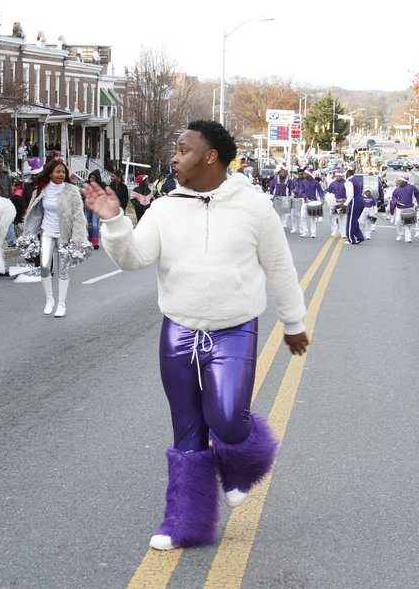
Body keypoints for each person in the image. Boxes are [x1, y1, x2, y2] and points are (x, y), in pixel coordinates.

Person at [81, 119, 308, 552]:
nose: (175, 156)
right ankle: (184, 523)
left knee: (226, 417)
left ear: (210, 157)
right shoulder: (165, 207)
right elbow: (135, 258)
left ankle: (243, 466)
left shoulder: (254, 207)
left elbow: (280, 267)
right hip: (179, 329)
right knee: (186, 430)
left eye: (184, 149)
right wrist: (114, 224)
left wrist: (293, 322)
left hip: (234, 328)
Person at [22, 158, 89, 317]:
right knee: (44, 267)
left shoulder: (72, 191)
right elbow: (34, 211)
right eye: (57, 172)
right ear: (50, 173)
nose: (61, 175)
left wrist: (78, 239)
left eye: (63, 172)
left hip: (64, 235)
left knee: (63, 270)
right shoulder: (41, 189)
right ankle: (49, 300)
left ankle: (61, 304)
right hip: (47, 232)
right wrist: (29, 232)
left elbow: (78, 216)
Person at [390, 174, 417, 243]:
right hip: (400, 208)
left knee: (408, 223)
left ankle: (408, 237)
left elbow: (418, 194)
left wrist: (418, 203)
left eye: (400, 181)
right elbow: (393, 197)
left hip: (410, 207)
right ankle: (400, 234)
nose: (399, 182)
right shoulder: (397, 189)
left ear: (404, 181)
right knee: (398, 221)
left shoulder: (412, 187)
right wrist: (396, 201)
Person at [298, 168, 324, 238]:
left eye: (305, 174)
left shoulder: (316, 182)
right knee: (303, 216)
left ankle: (313, 233)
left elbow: (320, 191)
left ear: (309, 175)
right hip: (305, 201)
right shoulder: (303, 182)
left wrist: (321, 198)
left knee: (313, 218)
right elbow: (302, 191)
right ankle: (305, 232)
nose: (304, 175)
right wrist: (305, 198)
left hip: (313, 201)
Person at [344, 168, 364, 244]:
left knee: (351, 221)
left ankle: (351, 239)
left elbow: (350, 195)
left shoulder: (348, 181)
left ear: (348, 174)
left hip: (354, 201)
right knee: (354, 221)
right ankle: (360, 236)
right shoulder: (356, 180)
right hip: (360, 200)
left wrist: (345, 204)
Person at [326, 170, 348, 237]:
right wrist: (330, 198)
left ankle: (343, 233)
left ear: (342, 176)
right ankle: (334, 231)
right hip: (334, 202)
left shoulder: (346, 183)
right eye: (337, 176)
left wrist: (345, 199)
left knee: (343, 218)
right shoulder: (332, 183)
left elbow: (348, 193)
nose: (338, 177)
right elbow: (329, 192)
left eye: (339, 176)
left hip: (342, 202)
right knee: (332, 216)